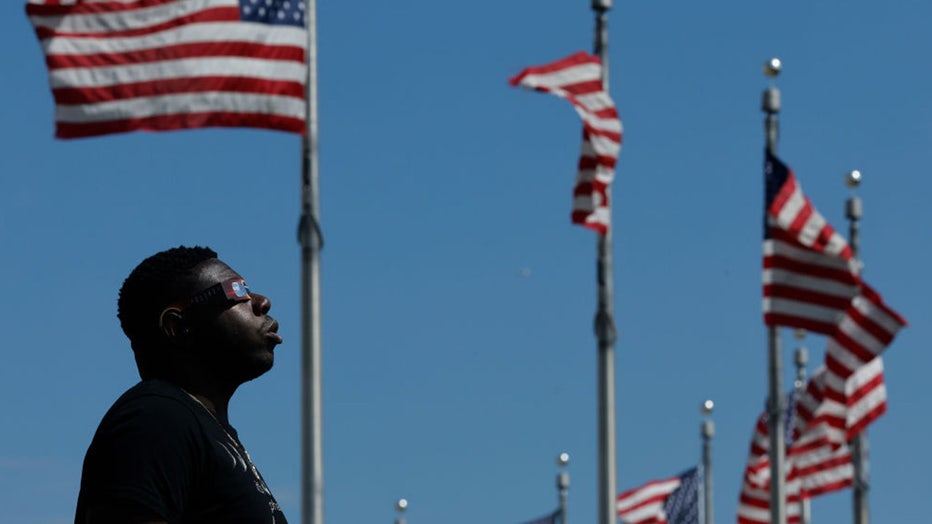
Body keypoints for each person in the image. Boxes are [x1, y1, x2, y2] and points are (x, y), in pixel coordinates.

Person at [74, 245, 288, 524]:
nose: (262, 302)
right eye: (236, 291)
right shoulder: (153, 419)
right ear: (178, 326)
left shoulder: (201, 429)